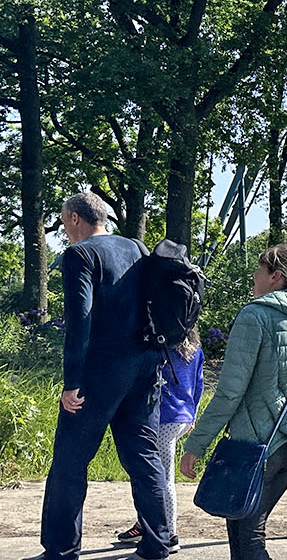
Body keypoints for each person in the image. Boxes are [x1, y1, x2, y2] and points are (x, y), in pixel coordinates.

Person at [180, 244, 287, 560]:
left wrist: (196, 446)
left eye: (259, 270)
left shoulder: (254, 316)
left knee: (248, 537)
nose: (253, 277)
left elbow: (230, 392)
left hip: (257, 445)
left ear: (276, 276)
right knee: (244, 531)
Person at [37, 192, 172, 560]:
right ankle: (159, 541)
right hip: (147, 364)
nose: (64, 230)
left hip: (102, 369)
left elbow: (79, 321)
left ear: (75, 219)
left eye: (64, 222)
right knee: (143, 454)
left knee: (70, 460)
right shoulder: (137, 248)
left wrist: (72, 382)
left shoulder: (80, 255)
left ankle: (62, 549)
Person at [116, 328, 205, 550]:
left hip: (163, 418)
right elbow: (199, 384)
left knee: (161, 477)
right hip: (183, 417)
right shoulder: (196, 351)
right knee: (152, 474)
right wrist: (192, 414)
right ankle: (146, 521)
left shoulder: (161, 349)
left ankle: (169, 533)